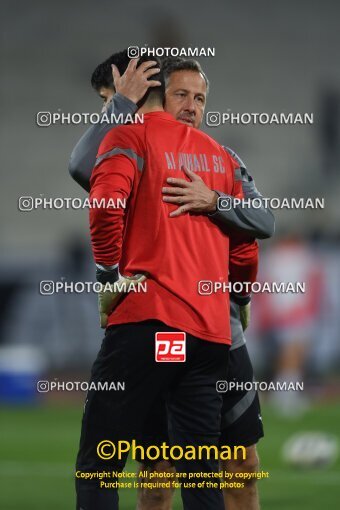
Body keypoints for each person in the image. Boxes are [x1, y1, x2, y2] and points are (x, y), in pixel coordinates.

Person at [70, 54, 274, 510]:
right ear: (163, 95)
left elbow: (262, 225)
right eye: (181, 94)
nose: (190, 106)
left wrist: (215, 201)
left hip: (187, 326)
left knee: (232, 465)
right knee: (167, 470)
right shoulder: (137, 140)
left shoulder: (220, 158)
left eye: (199, 98)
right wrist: (122, 106)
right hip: (198, 333)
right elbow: (84, 167)